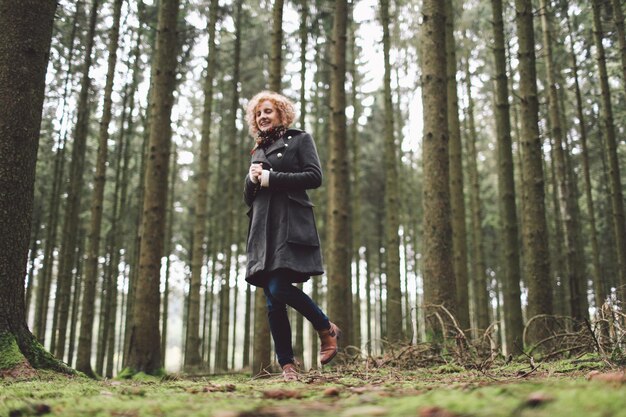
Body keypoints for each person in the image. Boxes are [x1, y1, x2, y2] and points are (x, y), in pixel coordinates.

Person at [243, 91, 340, 381]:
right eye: (259, 113)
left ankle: (325, 327)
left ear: (282, 114)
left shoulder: (300, 139)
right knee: (272, 299)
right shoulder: (257, 149)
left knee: (279, 287)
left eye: (268, 111)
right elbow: (249, 199)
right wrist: (251, 181)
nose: (263, 117)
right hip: (262, 229)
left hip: (289, 223)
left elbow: (314, 177)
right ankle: (287, 366)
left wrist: (272, 179)